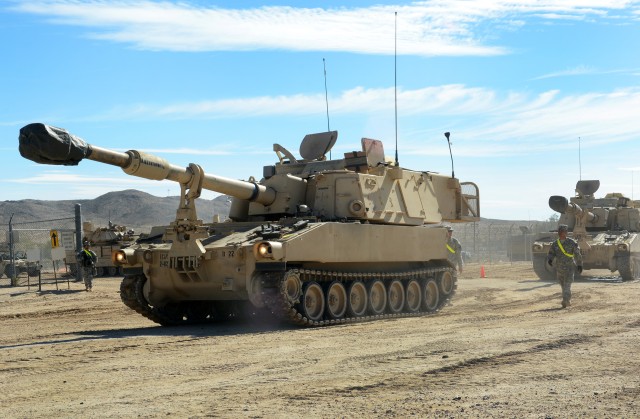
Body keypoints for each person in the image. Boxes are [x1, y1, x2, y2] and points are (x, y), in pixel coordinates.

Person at [547, 224, 583, 308]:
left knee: (566, 285)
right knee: (564, 285)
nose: (562, 233)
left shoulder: (558, 243)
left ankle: (566, 300)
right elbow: (577, 254)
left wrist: (579, 264)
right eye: (563, 231)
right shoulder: (567, 242)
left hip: (565, 268)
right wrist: (579, 265)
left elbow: (577, 254)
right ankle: (567, 300)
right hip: (564, 268)